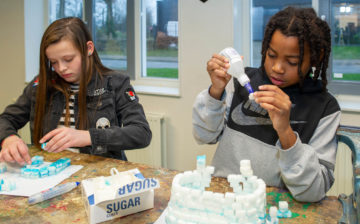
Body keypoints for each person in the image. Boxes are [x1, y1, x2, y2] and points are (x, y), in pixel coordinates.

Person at [192, 7, 341, 202]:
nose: (277, 68)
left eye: (292, 61)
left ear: (315, 58)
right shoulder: (245, 83)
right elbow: (204, 136)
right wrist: (216, 91)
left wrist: (285, 131)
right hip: (223, 201)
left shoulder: (324, 108)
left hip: (279, 210)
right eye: (272, 55)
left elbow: (313, 191)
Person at [0, 17, 152, 165]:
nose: (61, 68)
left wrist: (87, 137)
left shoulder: (115, 83)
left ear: (88, 49)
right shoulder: (40, 85)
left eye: (68, 59)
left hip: (99, 178)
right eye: (53, 62)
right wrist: (9, 138)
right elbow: (5, 119)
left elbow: (141, 133)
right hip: (50, 174)